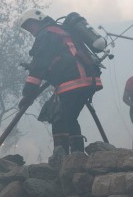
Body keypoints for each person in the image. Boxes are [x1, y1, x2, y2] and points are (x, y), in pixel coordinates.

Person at [16, 9, 106, 165]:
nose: (31, 31)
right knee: (70, 118)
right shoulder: (61, 31)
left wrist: (28, 94)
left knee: (58, 116)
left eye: (31, 26)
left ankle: (62, 161)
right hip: (88, 80)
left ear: (39, 20)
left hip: (72, 82)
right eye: (28, 29)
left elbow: (40, 65)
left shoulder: (46, 34)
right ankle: (77, 158)